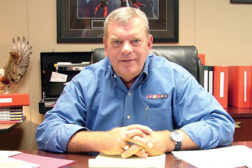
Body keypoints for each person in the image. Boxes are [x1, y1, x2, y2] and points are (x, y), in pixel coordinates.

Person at [36, 7, 235, 158]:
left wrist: (169, 140)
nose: (126, 50)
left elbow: (222, 124)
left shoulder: (174, 77)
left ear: (149, 44)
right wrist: (101, 140)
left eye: (135, 41)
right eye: (117, 42)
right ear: (105, 46)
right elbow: (47, 131)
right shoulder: (84, 82)